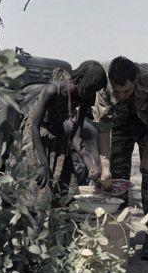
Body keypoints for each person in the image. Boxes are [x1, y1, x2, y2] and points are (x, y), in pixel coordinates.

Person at [93, 56, 148, 261]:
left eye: (125, 91)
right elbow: (103, 128)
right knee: (116, 181)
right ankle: (120, 233)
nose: (120, 96)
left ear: (136, 80)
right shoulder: (104, 89)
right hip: (121, 127)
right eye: (116, 91)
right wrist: (105, 166)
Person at [24, 60, 107, 203]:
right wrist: (43, 164)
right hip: (37, 136)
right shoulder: (52, 91)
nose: (92, 94)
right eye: (91, 89)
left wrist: (91, 165)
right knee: (40, 187)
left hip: (58, 133)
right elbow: (34, 126)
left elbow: (76, 137)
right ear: (80, 80)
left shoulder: (85, 97)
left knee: (67, 188)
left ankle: (59, 219)